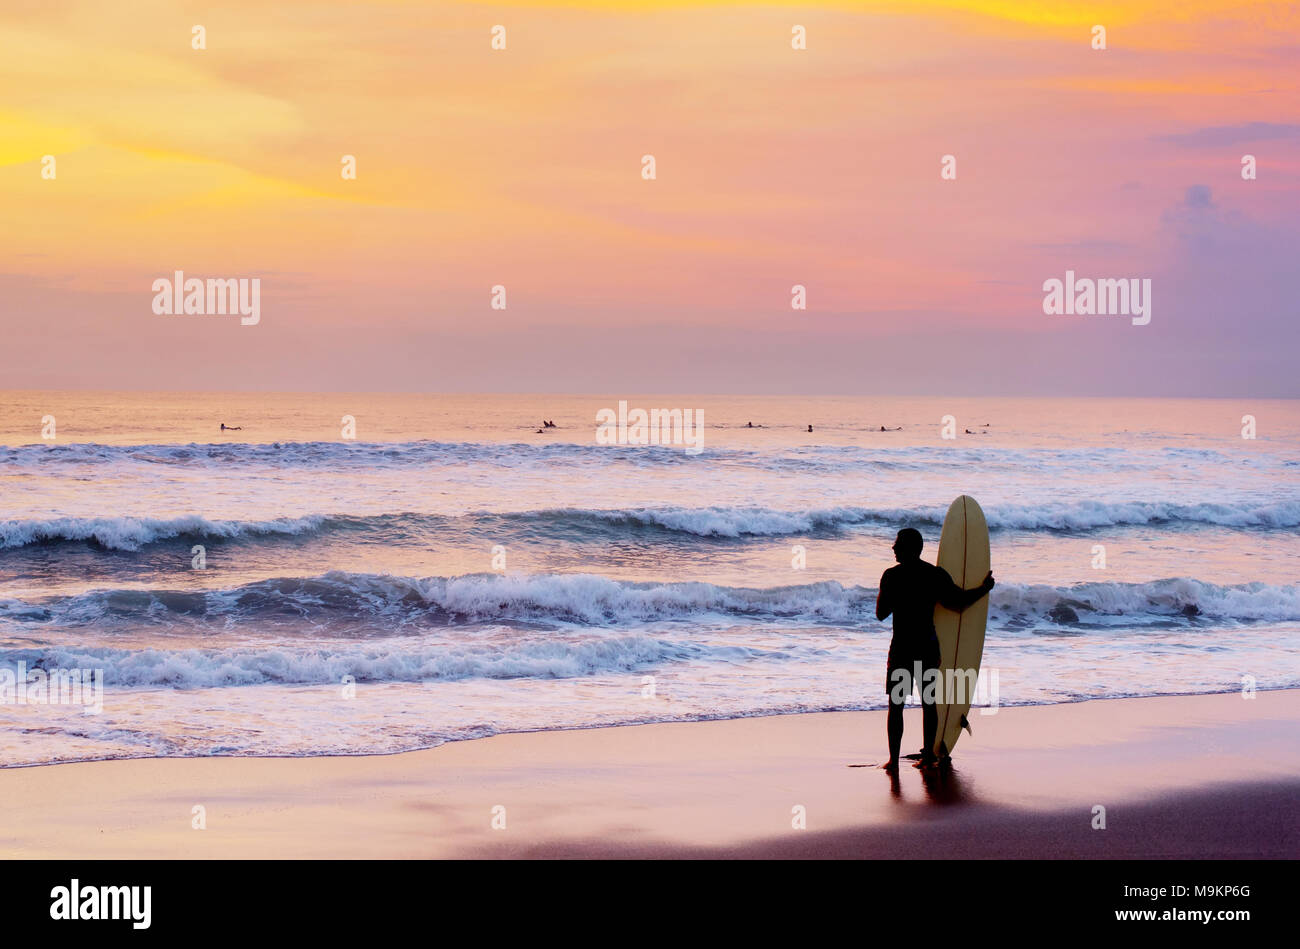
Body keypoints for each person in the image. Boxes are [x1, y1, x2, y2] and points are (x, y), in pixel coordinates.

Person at [876, 528, 993, 772]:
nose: (893, 548)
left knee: (896, 705)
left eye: (897, 544)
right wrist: (984, 588)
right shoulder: (934, 575)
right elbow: (958, 603)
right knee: (929, 702)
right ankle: (928, 755)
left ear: (909, 548)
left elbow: (880, 614)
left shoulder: (891, 576)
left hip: (902, 650)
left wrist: (892, 593)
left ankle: (893, 760)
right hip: (927, 647)